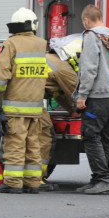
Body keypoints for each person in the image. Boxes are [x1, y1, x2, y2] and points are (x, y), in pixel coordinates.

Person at [0, 8, 48, 193]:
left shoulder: (11, 44)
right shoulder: (41, 44)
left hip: (15, 108)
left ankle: (13, 183)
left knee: (15, 144)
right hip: (36, 109)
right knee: (33, 146)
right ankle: (33, 182)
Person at [74, 4, 109, 194]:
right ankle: (97, 179)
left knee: (90, 135)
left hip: (96, 96)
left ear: (86, 20)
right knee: (103, 138)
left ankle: (103, 179)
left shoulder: (91, 36)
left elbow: (89, 68)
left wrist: (82, 95)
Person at [37, 51, 79, 190]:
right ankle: (37, 179)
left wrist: (71, 111)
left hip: (22, 97)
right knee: (45, 136)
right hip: (29, 101)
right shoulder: (64, 70)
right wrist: (84, 112)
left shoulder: (52, 60)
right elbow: (77, 94)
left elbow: (57, 93)